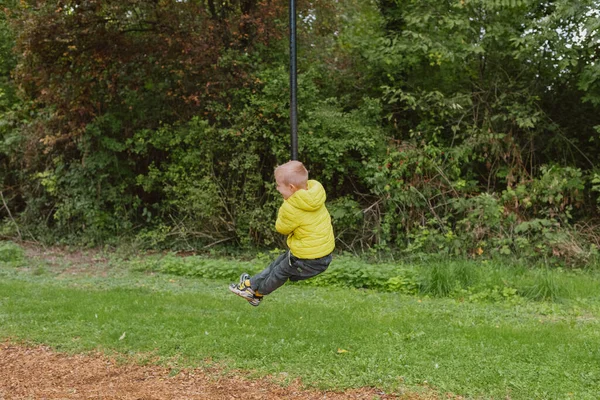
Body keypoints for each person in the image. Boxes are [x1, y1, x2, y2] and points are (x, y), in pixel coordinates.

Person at [228, 160, 335, 306]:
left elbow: (282, 228)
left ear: (291, 187)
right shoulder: (313, 194)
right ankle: (249, 284)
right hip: (319, 254)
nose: (277, 189)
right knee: (277, 264)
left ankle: (256, 294)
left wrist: (285, 207)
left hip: (309, 259)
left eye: (279, 185)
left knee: (279, 273)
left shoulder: (291, 207)